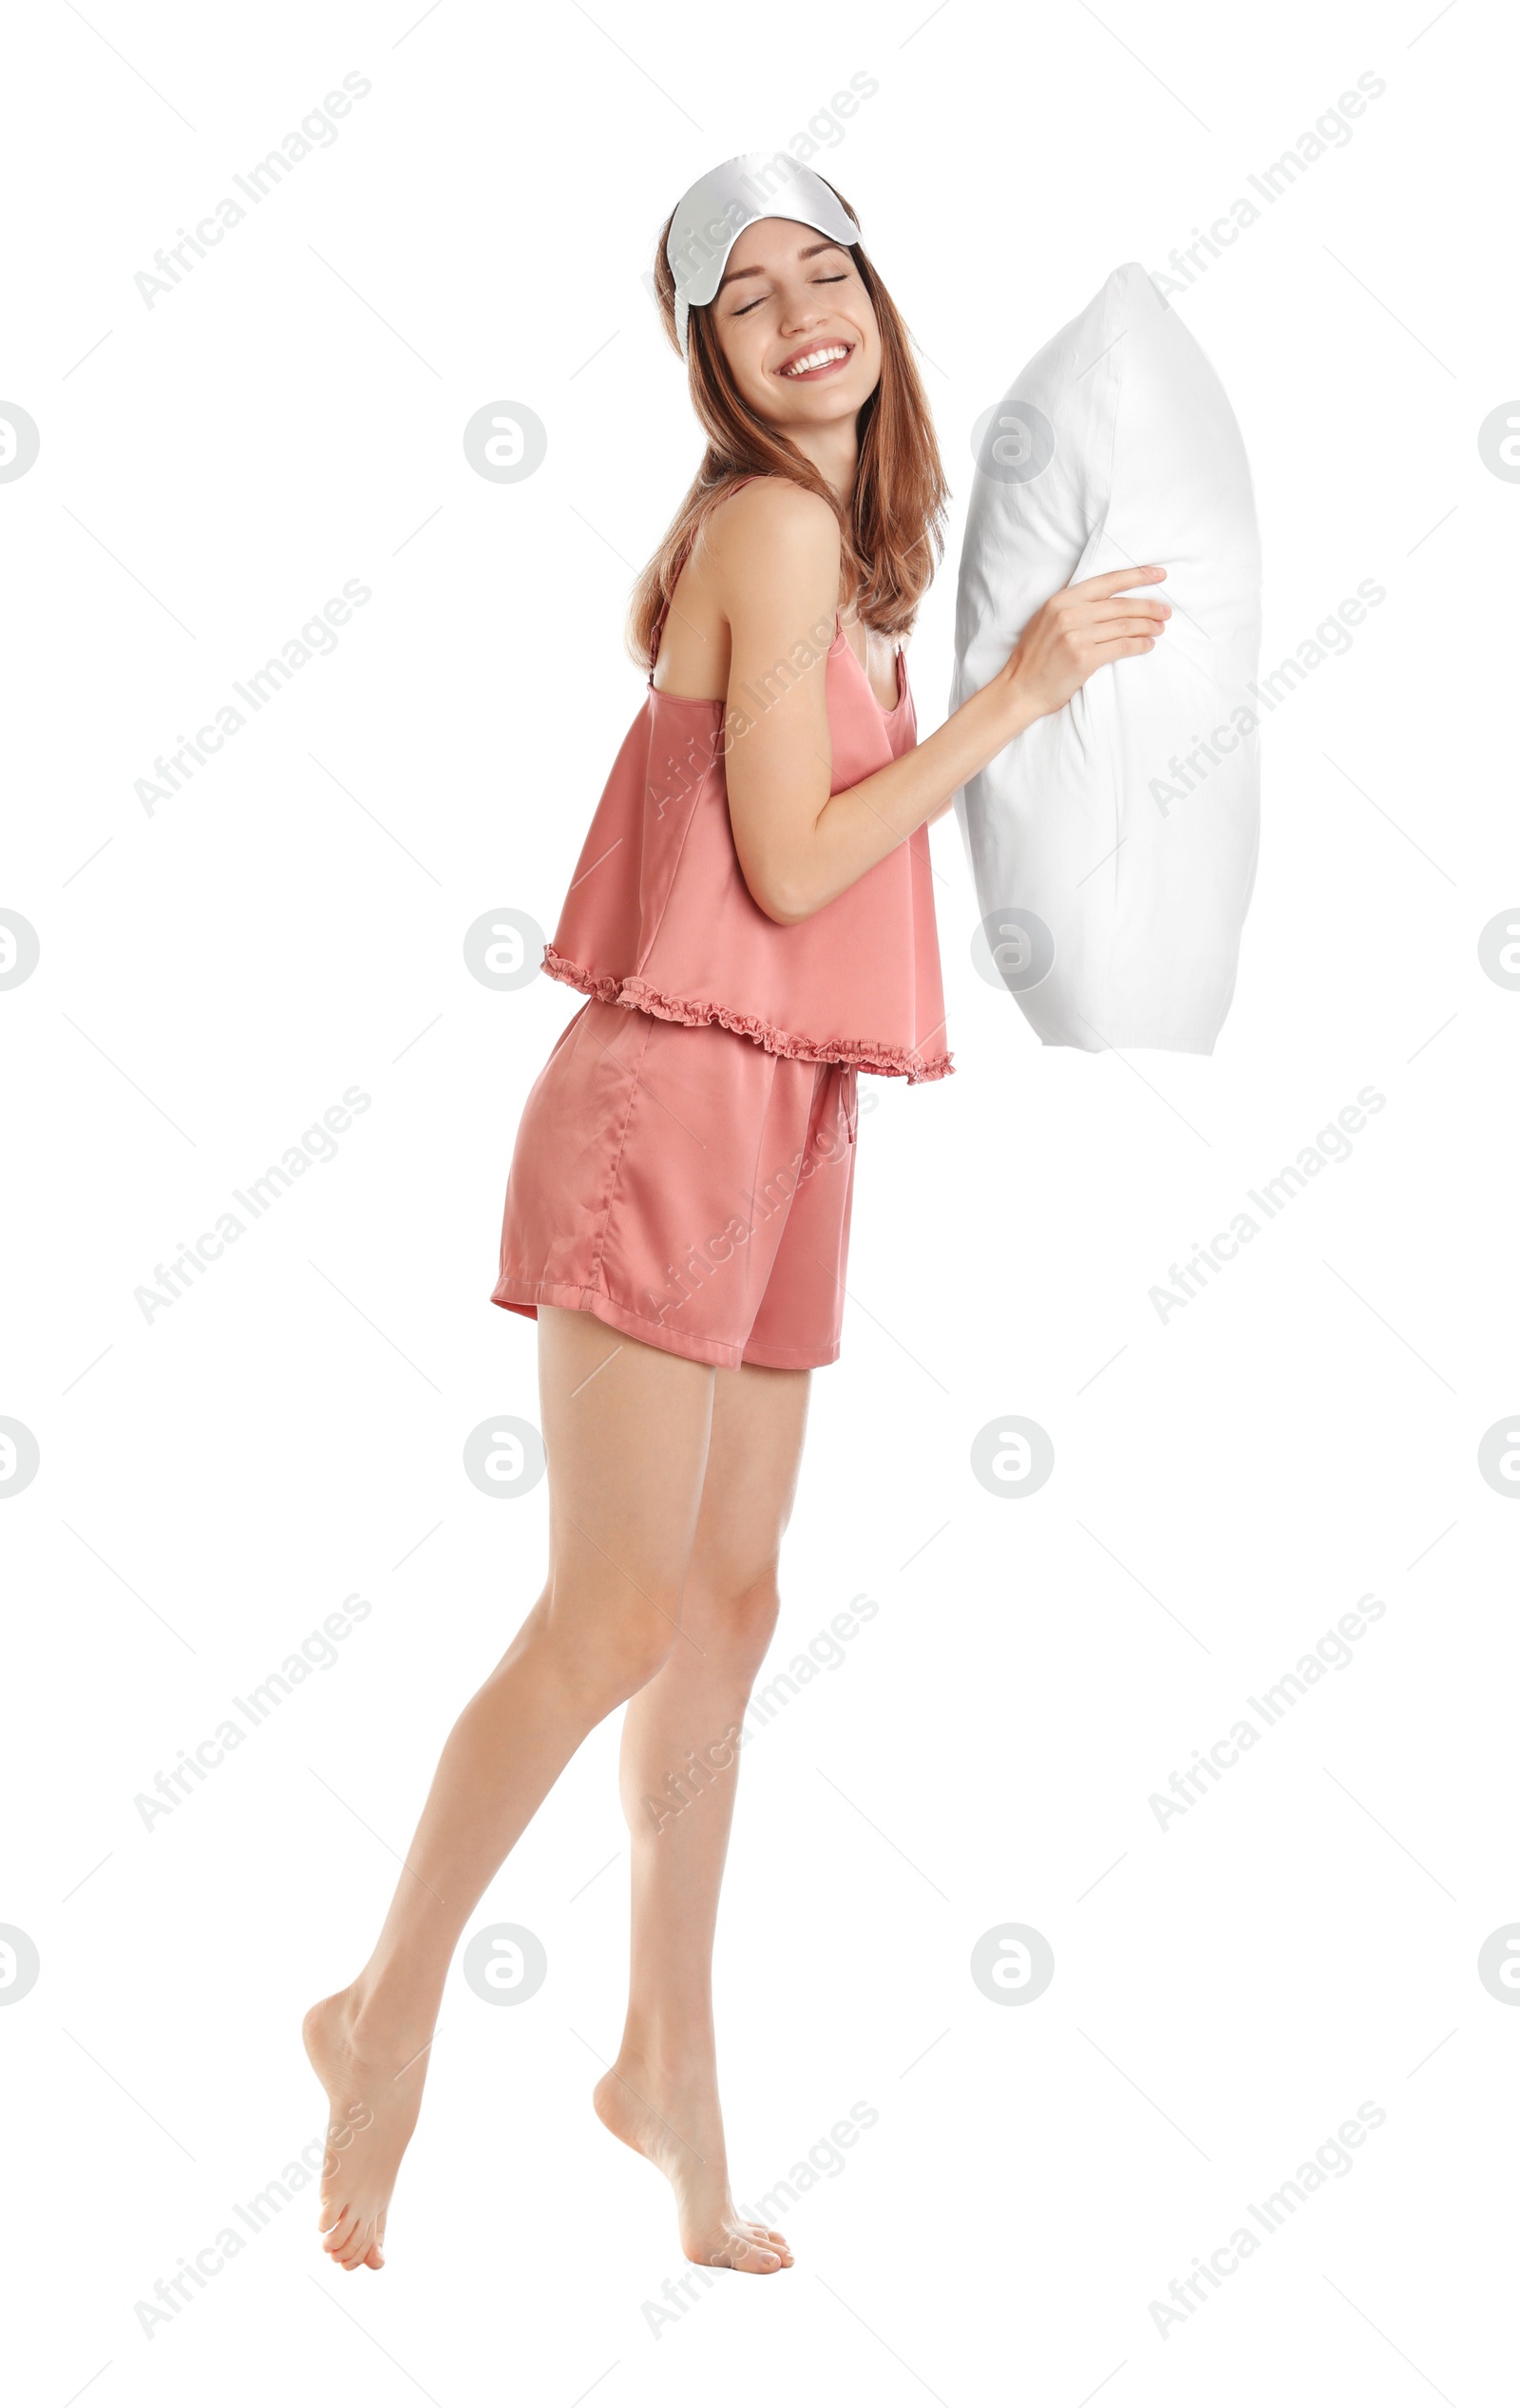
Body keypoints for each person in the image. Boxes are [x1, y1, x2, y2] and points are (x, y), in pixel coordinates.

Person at [303, 152, 1169, 2279]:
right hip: (672, 1103)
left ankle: (660, 2066)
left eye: (827, 269)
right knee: (609, 1612)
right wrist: (1017, 696)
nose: (799, 309)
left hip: (786, 1110)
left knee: (728, 1604)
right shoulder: (775, 533)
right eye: (745, 289)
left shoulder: (844, 558)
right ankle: (378, 2010)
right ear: (703, 348)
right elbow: (789, 874)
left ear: (873, 301)